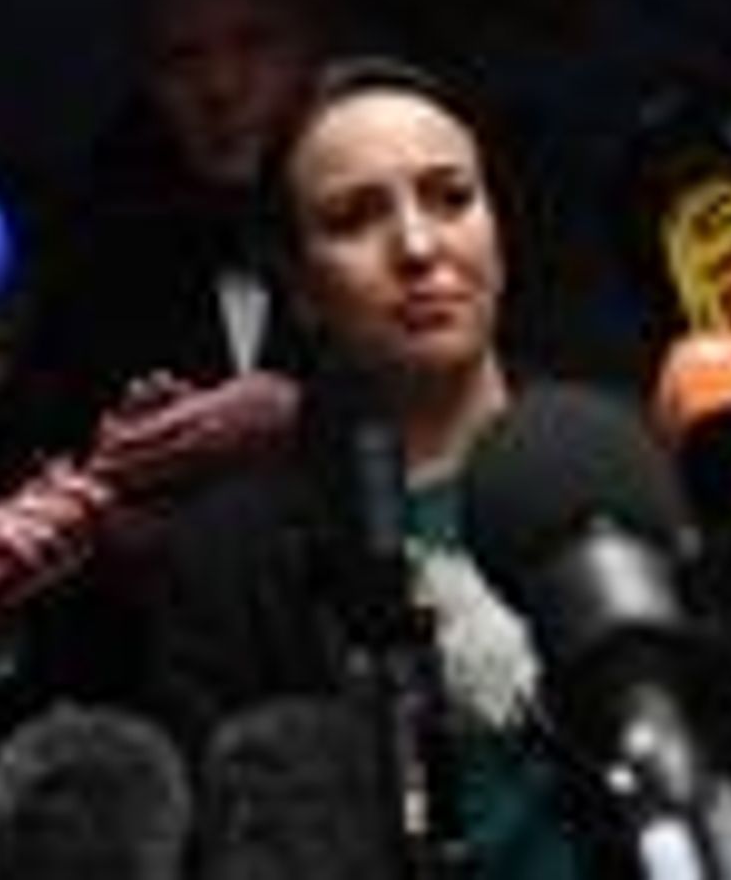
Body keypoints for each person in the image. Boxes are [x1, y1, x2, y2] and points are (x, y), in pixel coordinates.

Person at [143, 57, 634, 878]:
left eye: (451, 197)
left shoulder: (623, 455)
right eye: (354, 217)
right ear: (299, 284)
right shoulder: (234, 560)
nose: (417, 246)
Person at [31, 0, 330, 450]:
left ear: (309, 48)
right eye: (182, 58)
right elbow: (34, 456)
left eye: (253, 43)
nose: (219, 86)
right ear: (147, 79)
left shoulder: (388, 220)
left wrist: (308, 414)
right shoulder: (95, 261)